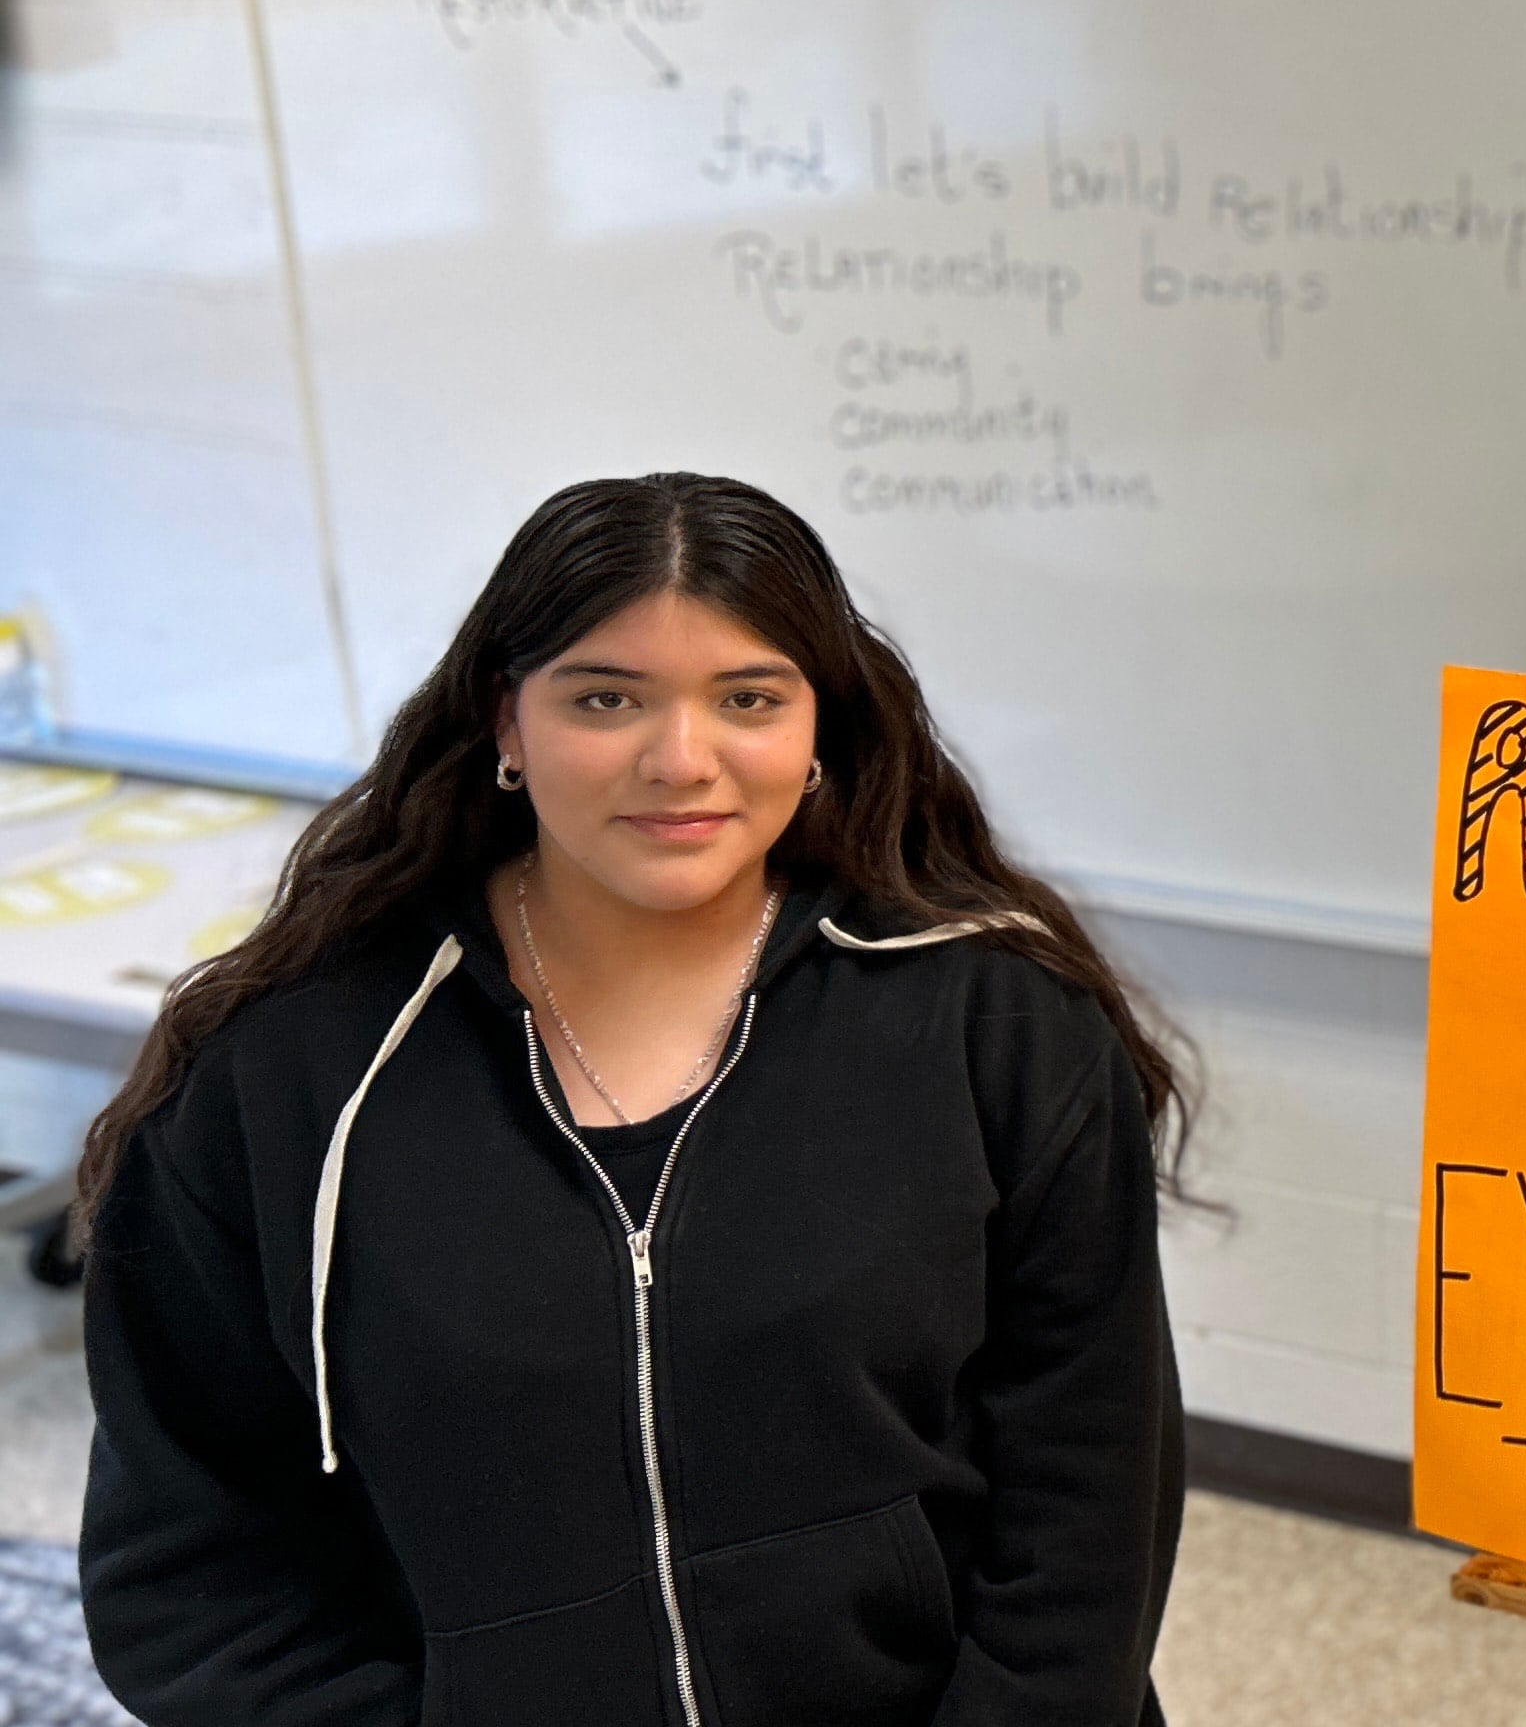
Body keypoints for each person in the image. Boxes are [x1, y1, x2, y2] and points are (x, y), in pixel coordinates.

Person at [77, 472, 1191, 1727]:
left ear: (819, 726)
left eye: (748, 698)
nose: (682, 762)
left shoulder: (998, 1026)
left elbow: (1088, 1504)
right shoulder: (284, 1075)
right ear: (506, 722)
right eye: (605, 698)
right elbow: (189, 1572)